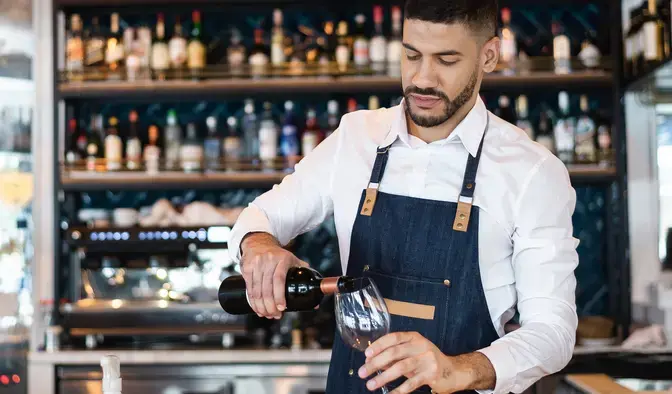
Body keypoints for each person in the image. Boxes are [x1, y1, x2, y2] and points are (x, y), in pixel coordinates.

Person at [228, 0, 579, 392]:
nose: (423, 79)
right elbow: (259, 217)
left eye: (446, 60)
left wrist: (457, 369)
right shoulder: (355, 137)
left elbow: (553, 331)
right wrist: (259, 246)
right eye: (412, 56)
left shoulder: (533, 172)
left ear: (489, 56)